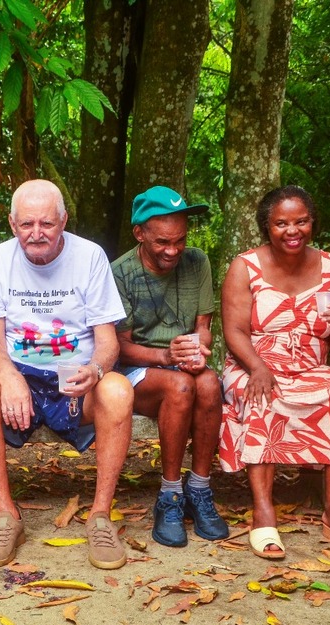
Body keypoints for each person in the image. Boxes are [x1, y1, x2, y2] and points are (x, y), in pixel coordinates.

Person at [0, 179, 134, 570]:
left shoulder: (90, 257)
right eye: (26, 225)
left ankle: (100, 516)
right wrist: (8, 376)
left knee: (119, 390)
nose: (36, 234)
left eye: (46, 224)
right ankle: (8, 516)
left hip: (74, 375)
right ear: (11, 224)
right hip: (19, 372)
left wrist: (94, 370)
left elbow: (108, 344)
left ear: (63, 221)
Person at [220, 185, 330, 559]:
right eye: (281, 223)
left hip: (310, 366)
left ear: (312, 223)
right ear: (267, 227)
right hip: (253, 363)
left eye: (301, 221)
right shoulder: (246, 267)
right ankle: (264, 511)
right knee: (261, 397)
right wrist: (257, 367)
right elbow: (234, 331)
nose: (293, 230)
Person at [111, 186, 229, 548]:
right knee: (180, 388)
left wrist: (199, 350)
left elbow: (204, 328)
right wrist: (166, 357)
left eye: (179, 240)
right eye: (163, 241)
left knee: (208, 384)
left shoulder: (198, 263)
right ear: (140, 233)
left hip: (184, 367)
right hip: (140, 369)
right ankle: (170, 495)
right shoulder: (121, 272)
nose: (173, 250)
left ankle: (200, 488)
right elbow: (120, 347)